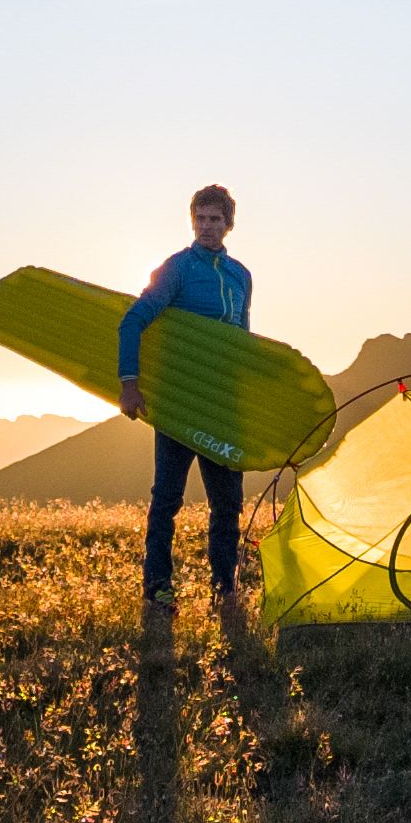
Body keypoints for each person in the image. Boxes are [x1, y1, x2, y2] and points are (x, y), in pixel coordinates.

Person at [118, 183, 252, 629]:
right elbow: (133, 321)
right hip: (178, 404)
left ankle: (224, 589)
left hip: (223, 406)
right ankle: (158, 589)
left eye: (215, 219)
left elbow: (241, 341)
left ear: (228, 224)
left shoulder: (240, 276)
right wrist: (129, 384)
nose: (207, 226)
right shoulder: (176, 269)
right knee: (167, 501)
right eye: (200, 218)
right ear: (192, 221)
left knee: (227, 505)